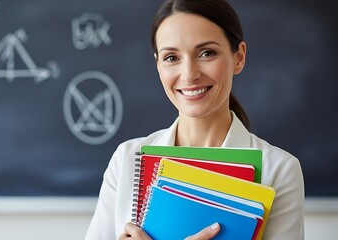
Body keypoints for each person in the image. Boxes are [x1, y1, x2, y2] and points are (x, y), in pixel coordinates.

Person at [84, 0, 305, 239]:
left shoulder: (280, 170)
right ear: (158, 64)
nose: (189, 74)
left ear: (239, 57)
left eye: (206, 53)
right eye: (171, 57)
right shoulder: (127, 160)